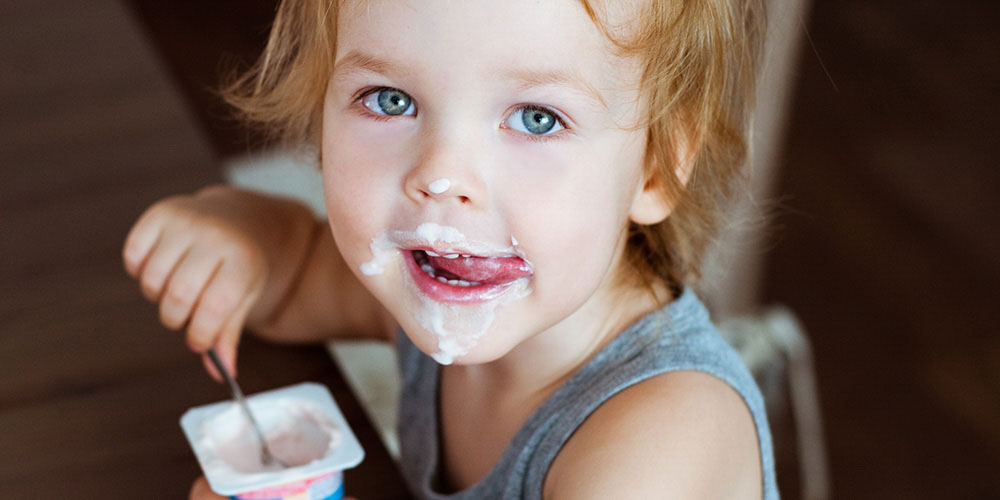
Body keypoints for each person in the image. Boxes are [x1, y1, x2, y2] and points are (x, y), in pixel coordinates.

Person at [123, 0, 778, 498]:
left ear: (656, 168)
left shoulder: (663, 442)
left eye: (536, 118)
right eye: (391, 99)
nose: (441, 178)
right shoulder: (436, 288)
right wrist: (246, 241)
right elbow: (295, 278)